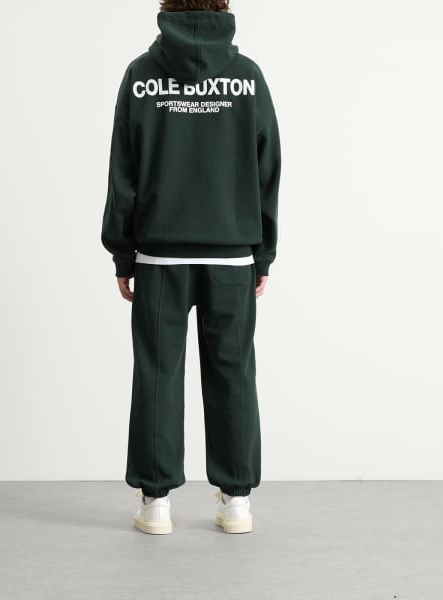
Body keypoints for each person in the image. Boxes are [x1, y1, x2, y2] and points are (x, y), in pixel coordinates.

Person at [101, 0, 281, 534]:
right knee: (232, 371)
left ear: (167, 7)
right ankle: (237, 502)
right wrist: (263, 251)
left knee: (158, 373)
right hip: (231, 254)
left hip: (161, 255)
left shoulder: (141, 76)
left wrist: (123, 251)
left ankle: (155, 504)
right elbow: (268, 167)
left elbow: (123, 169)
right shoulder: (247, 78)